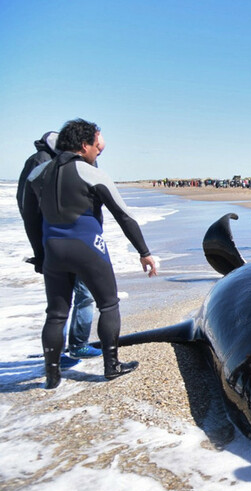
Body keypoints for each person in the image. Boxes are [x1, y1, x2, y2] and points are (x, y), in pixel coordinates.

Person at [22, 118, 158, 389]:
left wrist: (40, 254)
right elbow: (124, 215)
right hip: (87, 248)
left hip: (53, 250)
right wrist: (144, 251)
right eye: (97, 144)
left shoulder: (37, 174)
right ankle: (112, 366)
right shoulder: (91, 172)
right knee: (108, 304)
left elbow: (29, 218)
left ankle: (52, 376)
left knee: (56, 314)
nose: (98, 150)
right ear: (84, 146)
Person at [18, 131, 103, 361]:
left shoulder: (56, 161)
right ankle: (71, 349)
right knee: (68, 301)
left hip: (66, 240)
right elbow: (29, 210)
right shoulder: (43, 162)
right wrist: (39, 251)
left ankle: (60, 356)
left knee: (69, 300)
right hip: (64, 240)